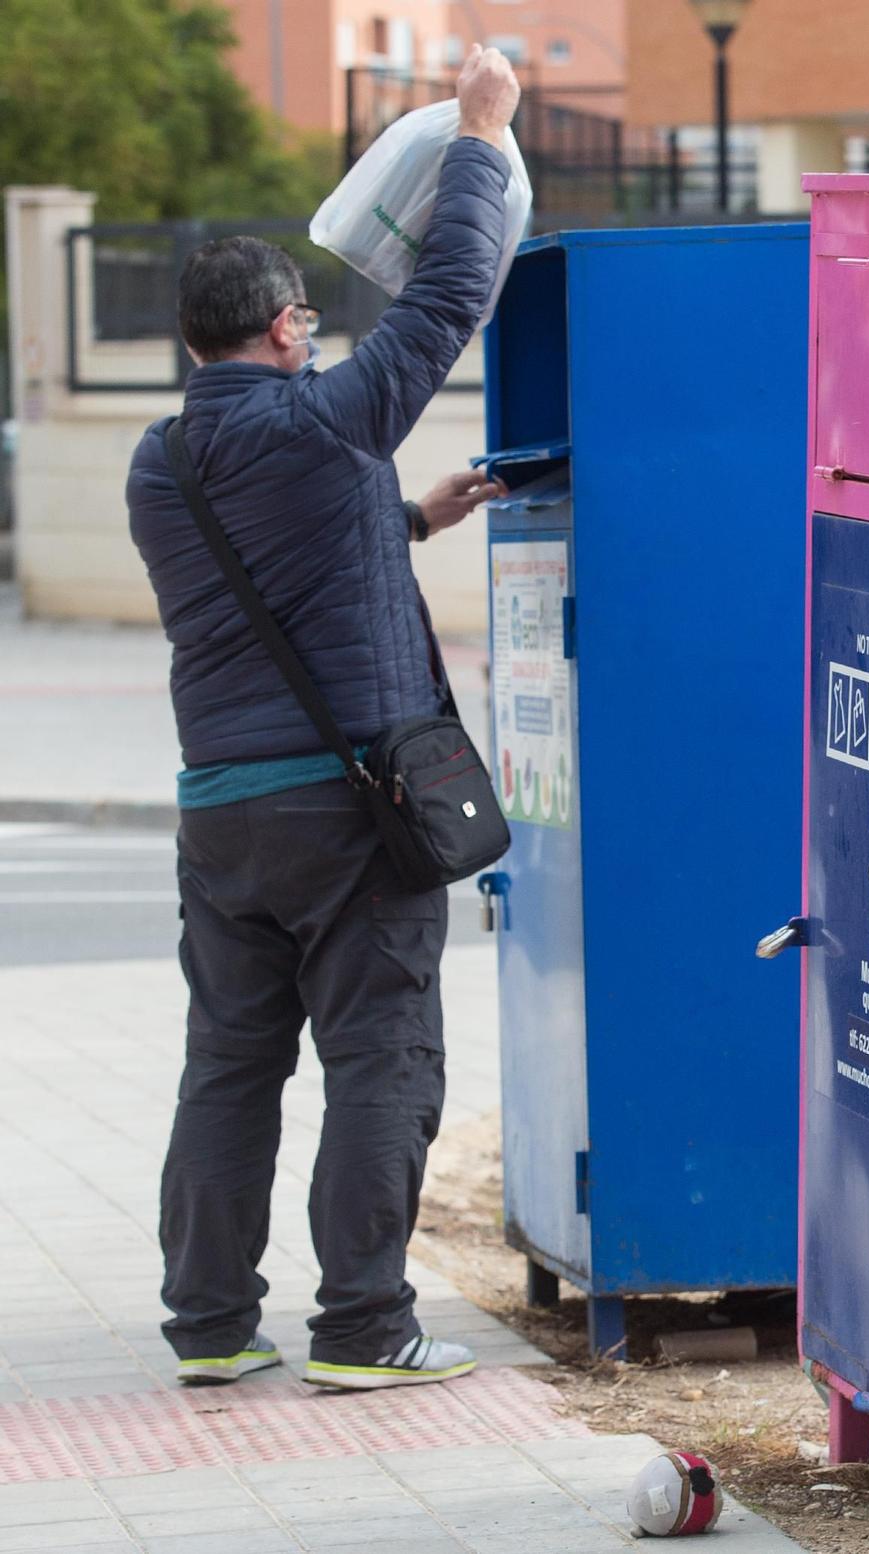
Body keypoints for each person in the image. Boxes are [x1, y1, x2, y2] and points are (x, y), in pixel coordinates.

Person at [125, 46, 521, 1391]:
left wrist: (412, 514)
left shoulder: (162, 457)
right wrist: (478, 133)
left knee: (230, 1066)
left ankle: (211, 1325)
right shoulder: (333, 416)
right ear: (290, 330)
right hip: (351, 809)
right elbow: (455, 288)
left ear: (195, 340)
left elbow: (270, 564)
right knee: (381, 1051)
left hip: (220, 816)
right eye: (309, 323)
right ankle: (362, 1327)